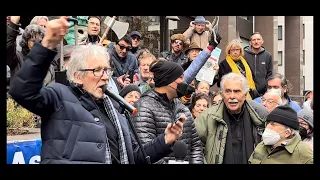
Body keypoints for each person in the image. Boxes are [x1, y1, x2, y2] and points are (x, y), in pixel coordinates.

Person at [8, 17, 185, 164]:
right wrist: (46, 45)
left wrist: (164, 140)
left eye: (107, 70)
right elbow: (22, 91)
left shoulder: (115, 109)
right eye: (96, 70)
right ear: (77, 76)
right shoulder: (59, 96)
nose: (105, 76)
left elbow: (135, 156)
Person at [132, 60, 204, 164]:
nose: (184, 82)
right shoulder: (143, 107)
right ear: (169, 80)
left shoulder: (182, 108)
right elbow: (146, 151)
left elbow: (196, 145)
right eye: (180, 77)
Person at [195, 72, 266, 164]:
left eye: (237, 91)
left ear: (245, 95)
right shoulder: (207, 117)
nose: (232, 96)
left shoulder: (259, 117)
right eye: (228, 91)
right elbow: (194, 147)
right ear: (222, 94)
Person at [249, 105, 313, 164]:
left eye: (273, 124)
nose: (268, 127)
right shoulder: (261, 145)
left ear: (287, 133)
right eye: (267, 123)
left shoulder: (304, 154)